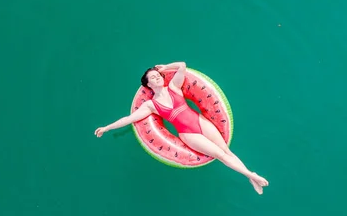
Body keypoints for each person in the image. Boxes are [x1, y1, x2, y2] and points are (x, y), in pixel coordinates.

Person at [95, 61, 269, 194]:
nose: (156, 77)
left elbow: (182, 66)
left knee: (227, 151)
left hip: (200, 122)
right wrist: (106, 128)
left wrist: (164, 68)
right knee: (220, 155)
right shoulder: (151, 105)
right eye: (152, 77)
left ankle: (250, 176)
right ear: (148, 85)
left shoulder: (173, 87)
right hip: (188, 134)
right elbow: (128, 119)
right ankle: (252, 176)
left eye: (157, 75)